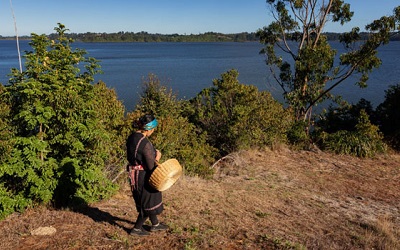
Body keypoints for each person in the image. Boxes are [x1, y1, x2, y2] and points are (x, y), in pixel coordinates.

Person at [126, 114, 168, 236]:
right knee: (148, 201)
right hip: (143, 175)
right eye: (153, 129)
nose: (153, 131)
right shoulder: (145, 143)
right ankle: (136, 229)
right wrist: (157, 157)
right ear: (148, 129)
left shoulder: (132, 137)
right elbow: (150, 165)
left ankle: (155, 224)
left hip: (134, 172)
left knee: (147, 200)